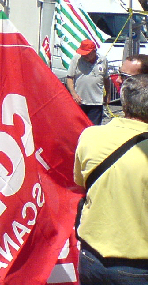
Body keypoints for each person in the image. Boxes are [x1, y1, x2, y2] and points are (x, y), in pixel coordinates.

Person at [74, 72, 148, 284]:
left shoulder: (90, 136)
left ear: (124, 103)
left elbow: (80, 182)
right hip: (138, 265)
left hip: (91, 257)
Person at [67, 39, 107, 125]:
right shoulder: (76, 59)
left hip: (96, 102)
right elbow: (69, 78)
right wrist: (73, 94)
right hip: (79, 101)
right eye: (83, 54)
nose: (84, 56)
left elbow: (106, 78)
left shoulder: (103, 60)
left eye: (87, 54)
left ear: (94, 51)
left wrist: (108, 95)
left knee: (93, 128)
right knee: (78, 126)